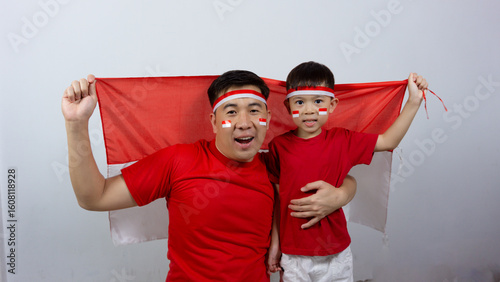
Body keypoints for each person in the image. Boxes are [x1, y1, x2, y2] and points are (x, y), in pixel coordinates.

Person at [61, 70, 358, 281]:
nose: (244, 122)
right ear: (214, 122)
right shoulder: (178, 160)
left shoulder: (275, 167)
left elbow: (336, 166)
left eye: (255, 110)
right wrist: (76, 125)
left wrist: (344, 192)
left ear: (268, 119)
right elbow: (94, 197)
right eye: (231, 111)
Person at [265, 61, 428, 281]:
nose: (309, 109)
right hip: (294, 254)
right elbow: (277, 199)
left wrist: (414, 101)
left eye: (319, 101)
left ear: (333, 105)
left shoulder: (343, 140)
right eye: (300, 102)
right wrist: (275, 244)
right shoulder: (278, 147)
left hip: (336, 254)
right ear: (287, 107)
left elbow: (389, 140)